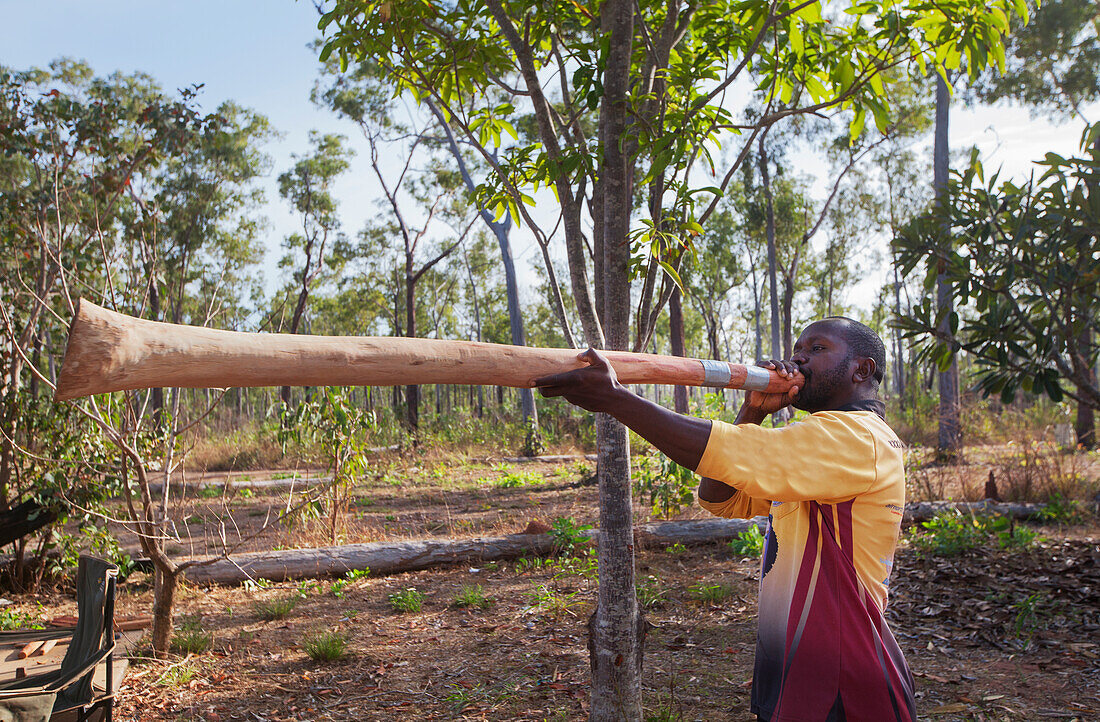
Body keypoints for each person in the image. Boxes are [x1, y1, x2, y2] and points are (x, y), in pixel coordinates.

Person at [535, 317, 915, 722]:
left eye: (816, 349)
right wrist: (752, 411)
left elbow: (725, 451)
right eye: (797, 348)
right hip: (796, 666)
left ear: (862, 369)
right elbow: (719, 496)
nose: (797, 358)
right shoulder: (825, 439)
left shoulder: (859, 437)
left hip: (842, 677)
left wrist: (616, 399)